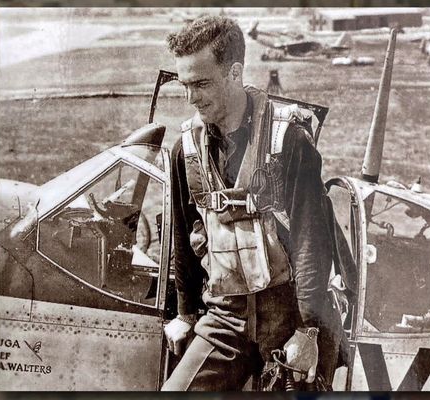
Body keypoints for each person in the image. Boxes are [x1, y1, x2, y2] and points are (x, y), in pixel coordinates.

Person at [161, 15, 349, 391]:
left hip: (291, 313)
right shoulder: (187, 149)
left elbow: (312, 241)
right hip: (226, 317)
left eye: (201, 84)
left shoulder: (289, 141)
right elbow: (184, 235)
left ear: (235, 72)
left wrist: (308, 331)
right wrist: (185, 312)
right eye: (184, 85)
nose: (191, 98)